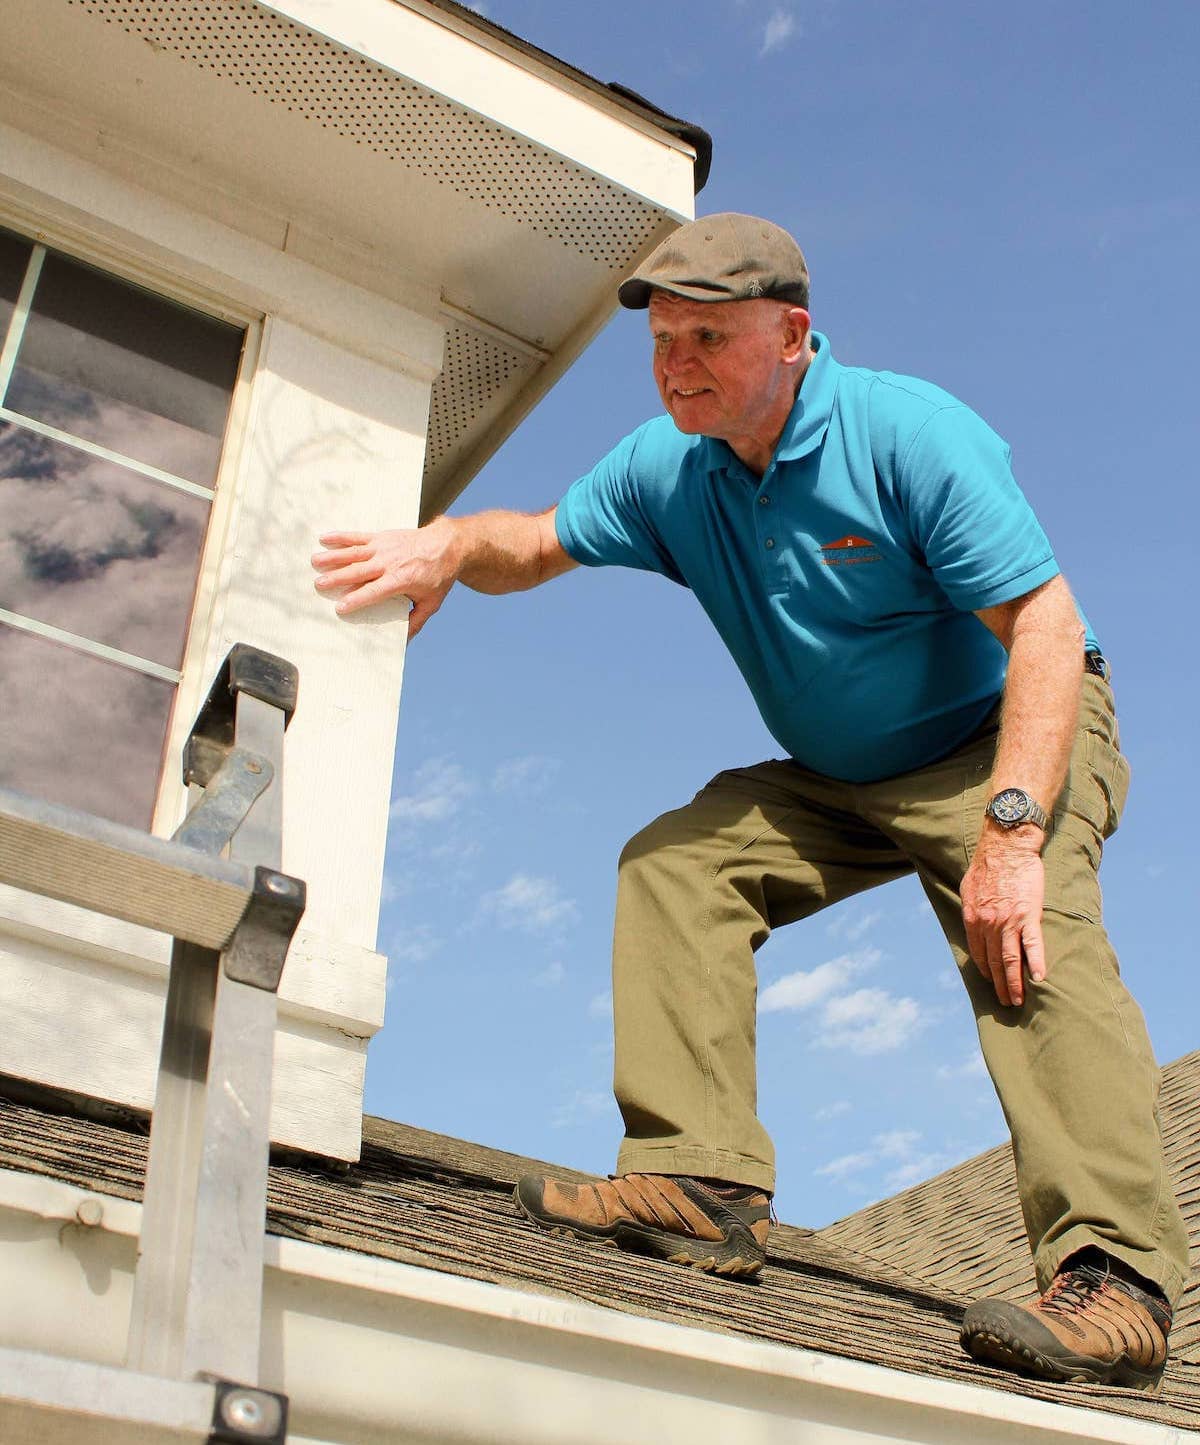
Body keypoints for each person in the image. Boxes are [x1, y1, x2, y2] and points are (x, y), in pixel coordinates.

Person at [311, 214, 1187, 1391]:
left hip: (1001, 738)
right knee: (677, 863)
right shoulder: (670, 468)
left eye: (709, 337)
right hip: (839, 773)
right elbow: (535, 539)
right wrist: (450, 546)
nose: (679, 363)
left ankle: (1115, 1281)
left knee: (1026, 940)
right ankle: (700, 1181)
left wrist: (1015, 832)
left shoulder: (907, 435)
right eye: (665, 340)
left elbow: (1046, 626)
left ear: (793, 335)